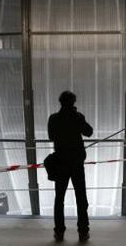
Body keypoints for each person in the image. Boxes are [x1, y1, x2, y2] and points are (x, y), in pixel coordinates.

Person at [48, 91, 93, 242]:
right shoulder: (77, 117)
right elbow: (89, 132)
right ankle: (83, 232)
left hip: (61, 163)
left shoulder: (54, 118)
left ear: (60, 102)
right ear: (73, 103)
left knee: (59, 199)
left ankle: (59, 232)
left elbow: (51, 136)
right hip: (76, 163)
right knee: (81, 198)